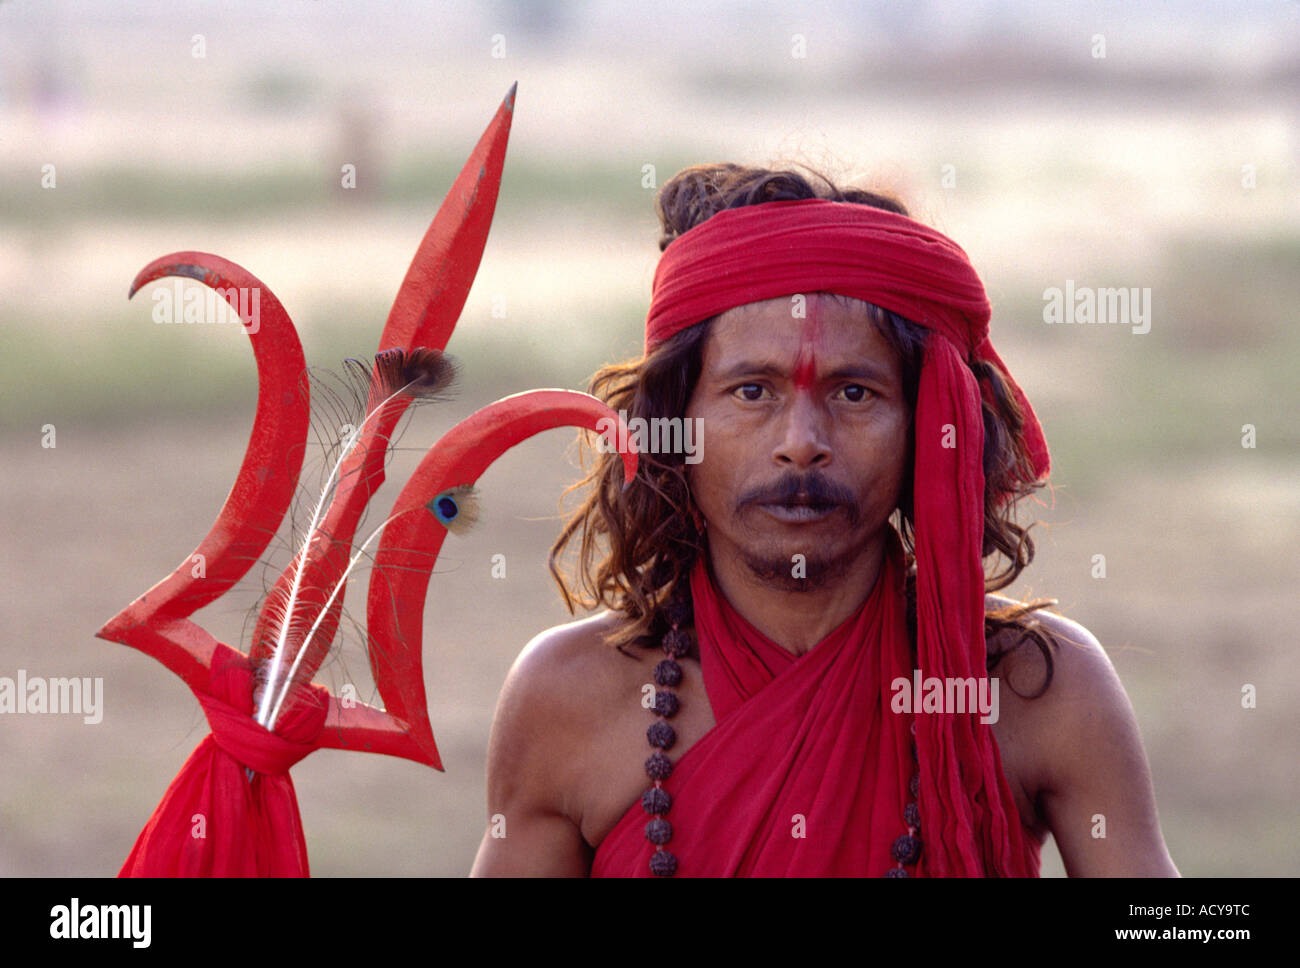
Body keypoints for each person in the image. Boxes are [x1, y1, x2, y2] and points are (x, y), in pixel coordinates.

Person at [469, 164, 1179, 877]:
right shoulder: (565, 697)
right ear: (674, 424)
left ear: (929, 426)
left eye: (854, 392)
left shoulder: (1036, 687)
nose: (802, 439)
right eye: (752, 391)